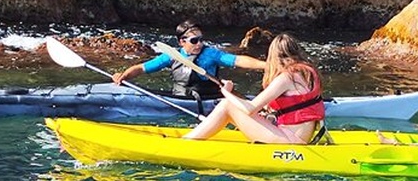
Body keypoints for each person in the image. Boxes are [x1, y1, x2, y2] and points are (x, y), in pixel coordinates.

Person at [182, 33, 328, 144]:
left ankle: (188, 142)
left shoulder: (286, 77)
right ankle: (194, 136)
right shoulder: (308, 72)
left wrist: (226, 92)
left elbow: (250, 108)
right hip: (302, 136)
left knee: (227, 105)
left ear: (274, 56)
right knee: (242, 108)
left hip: (290, 141)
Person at [112, 19, 265, 98]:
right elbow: (141, 68)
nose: (199, 44)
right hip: (179, 98)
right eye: (194, 41)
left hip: (208, 98)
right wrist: (124, 75)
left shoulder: (210, 54)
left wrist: (266, 65)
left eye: (200, 39)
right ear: (181, 42)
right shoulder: (171, 56)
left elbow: (238, 60)